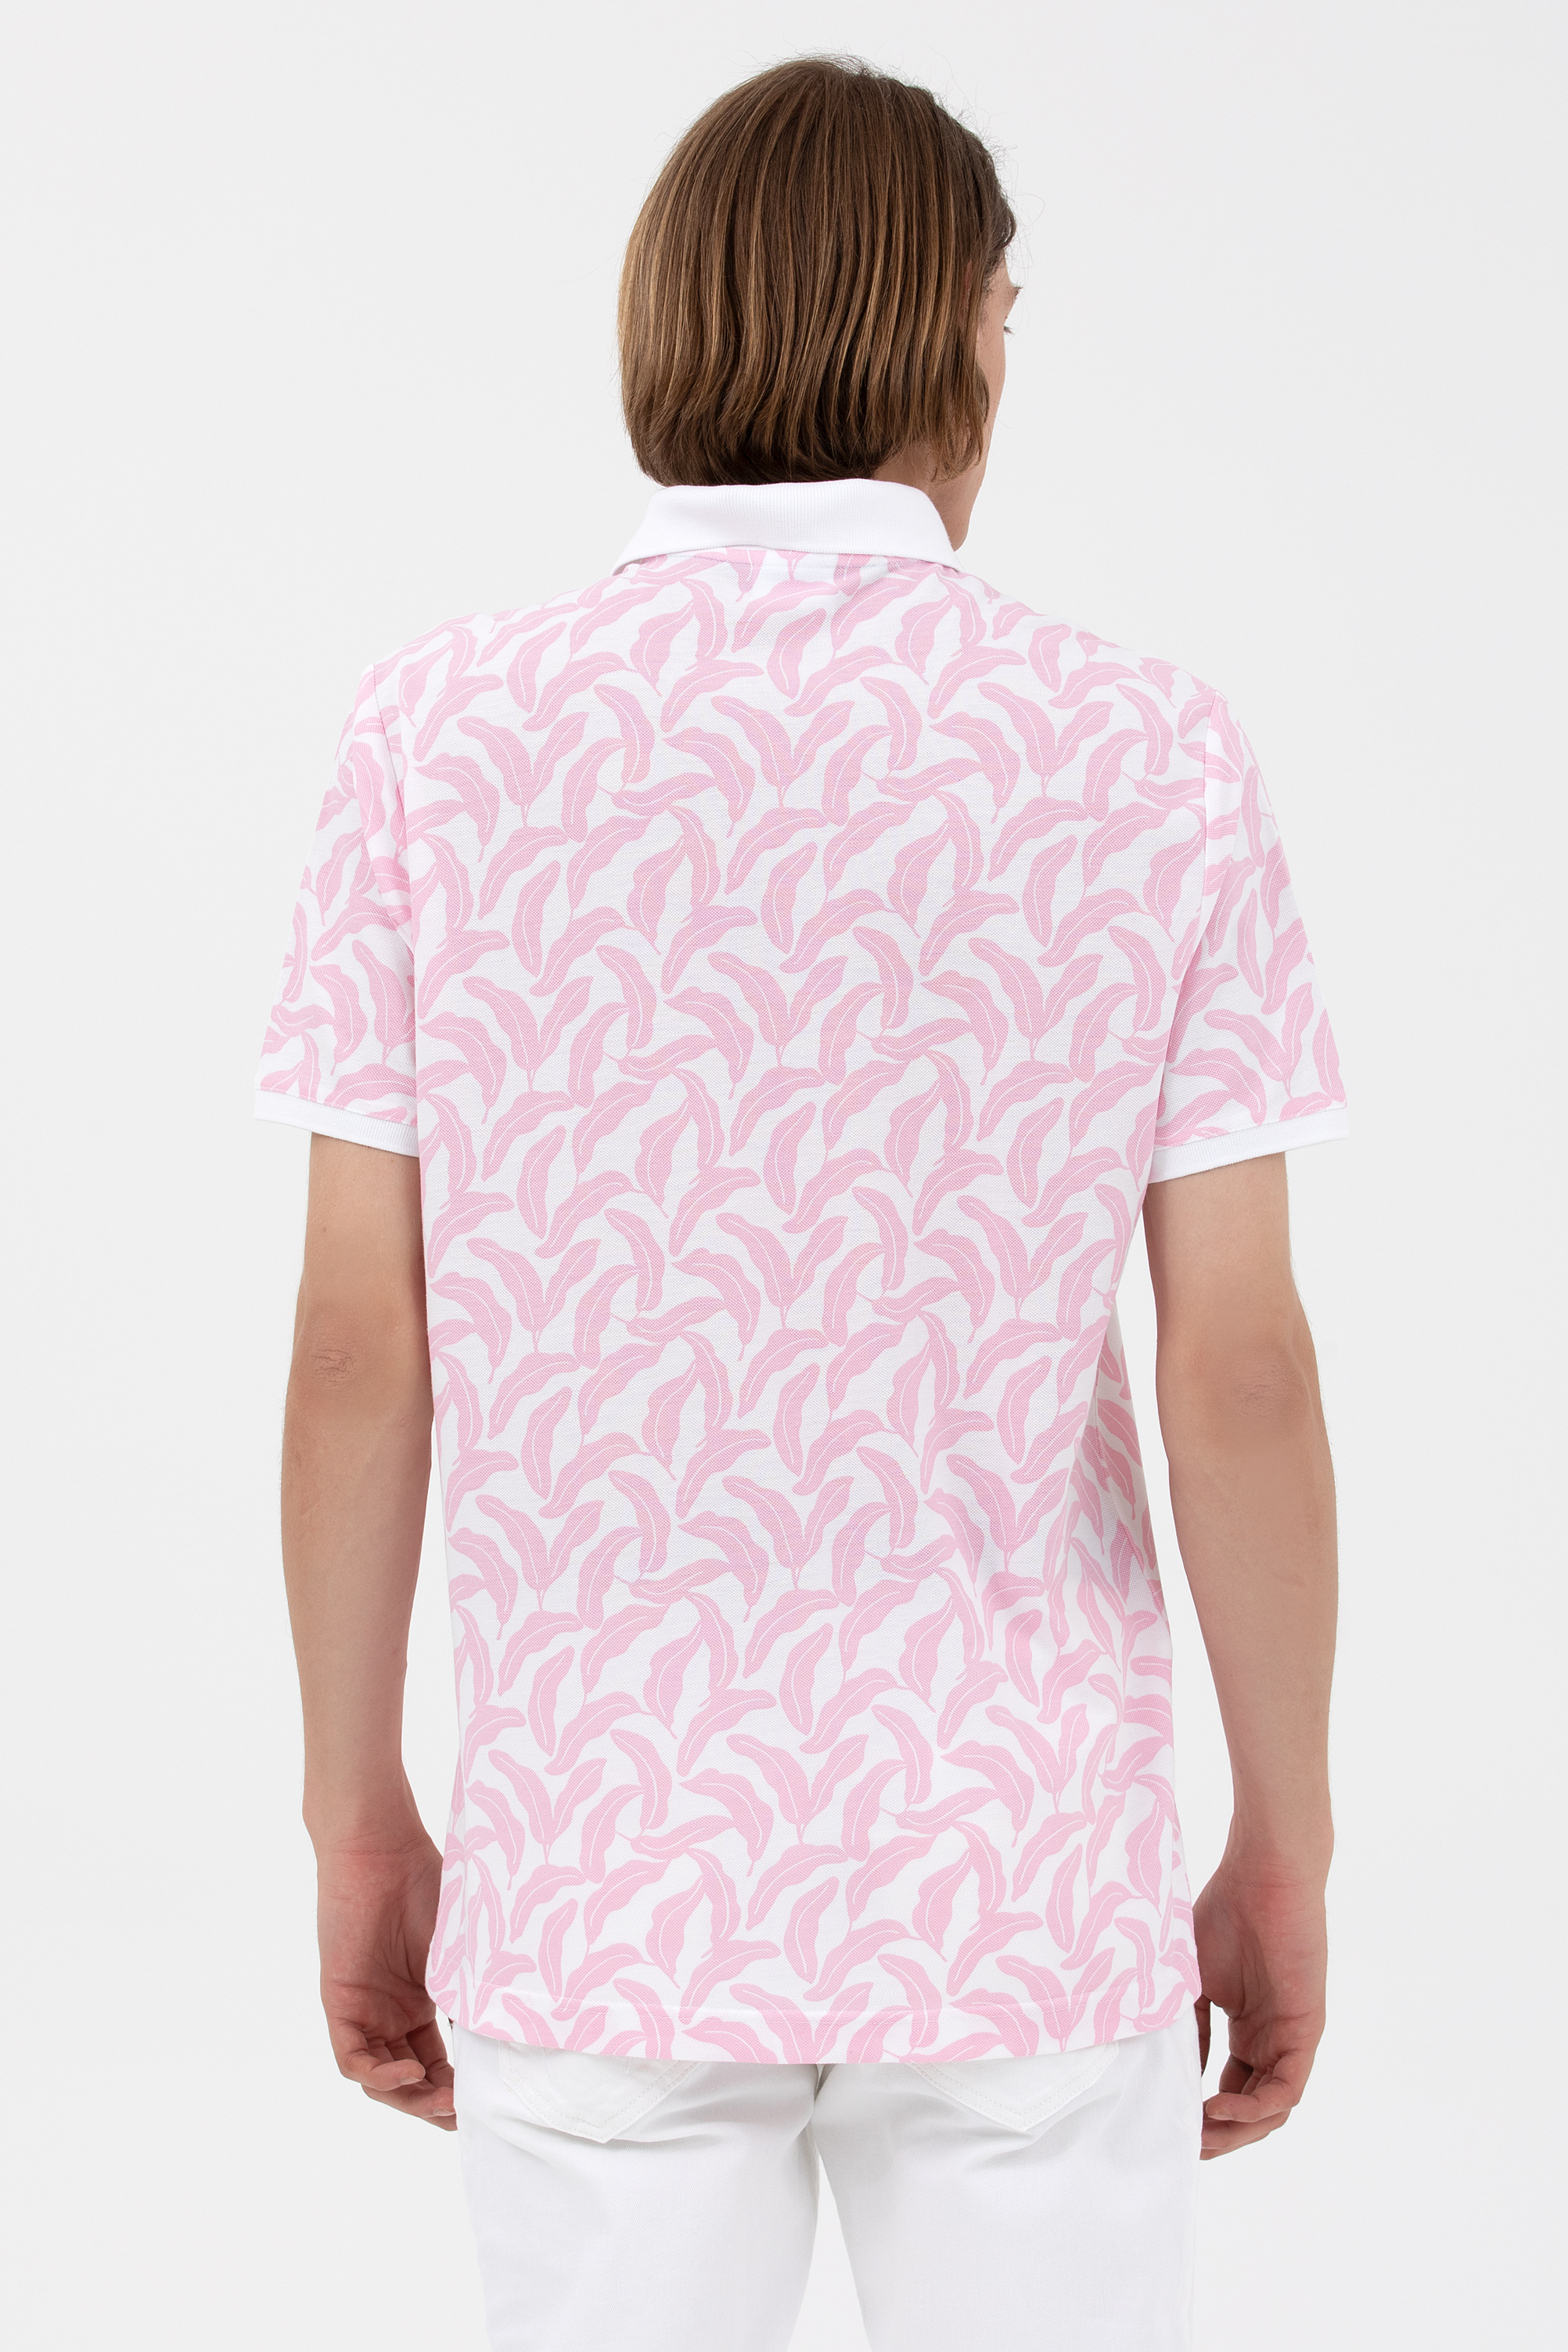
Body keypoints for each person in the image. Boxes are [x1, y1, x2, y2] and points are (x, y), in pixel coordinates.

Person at [258, 55, 1345, 2352]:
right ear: (958, 336)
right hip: (1020, 1872)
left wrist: (359, 1812)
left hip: (599, 1872)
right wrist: (1284, 1833)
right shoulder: (1147, 750)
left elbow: (361, 1343)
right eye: (1008, 325)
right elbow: (1237, 1369)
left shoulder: (435, 739)